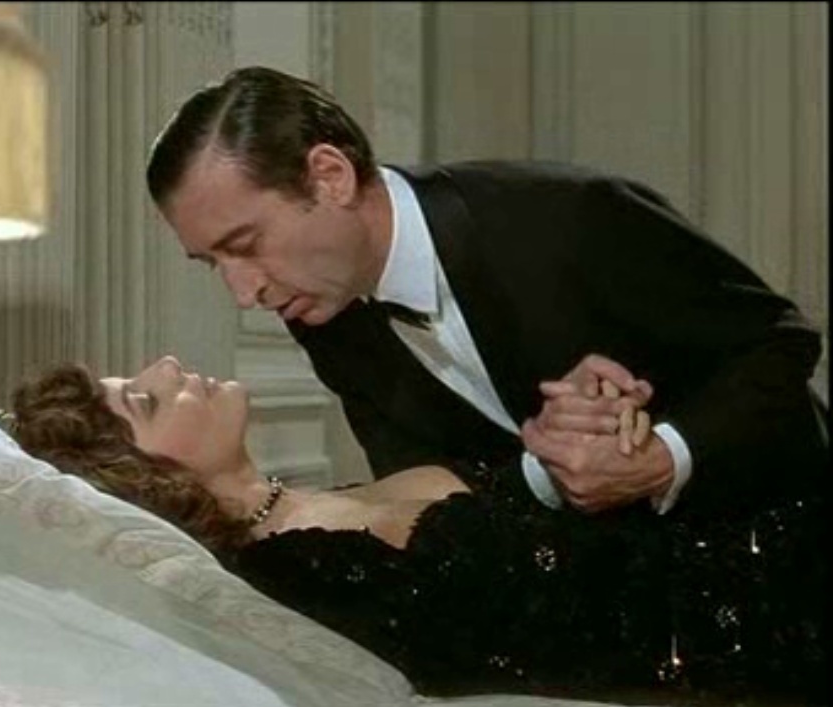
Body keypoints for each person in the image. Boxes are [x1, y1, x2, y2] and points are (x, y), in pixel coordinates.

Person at [144, 65, 828, 520]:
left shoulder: (567, 215)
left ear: (330, 177)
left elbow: (780, 343)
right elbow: (438, 502)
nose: (243, 292)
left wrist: (660, 457)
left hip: (785, 532)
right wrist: (548, 465)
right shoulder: (324, 313)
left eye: (245, 244)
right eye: (212, 263)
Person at [10, 355, 826, 707]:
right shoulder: (294, 574)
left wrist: (569, 438)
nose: (166, 366)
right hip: (755, 632)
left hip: (753, 559)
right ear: (151, 482)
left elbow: (524, 525)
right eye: (145, 401)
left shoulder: (308, 508)